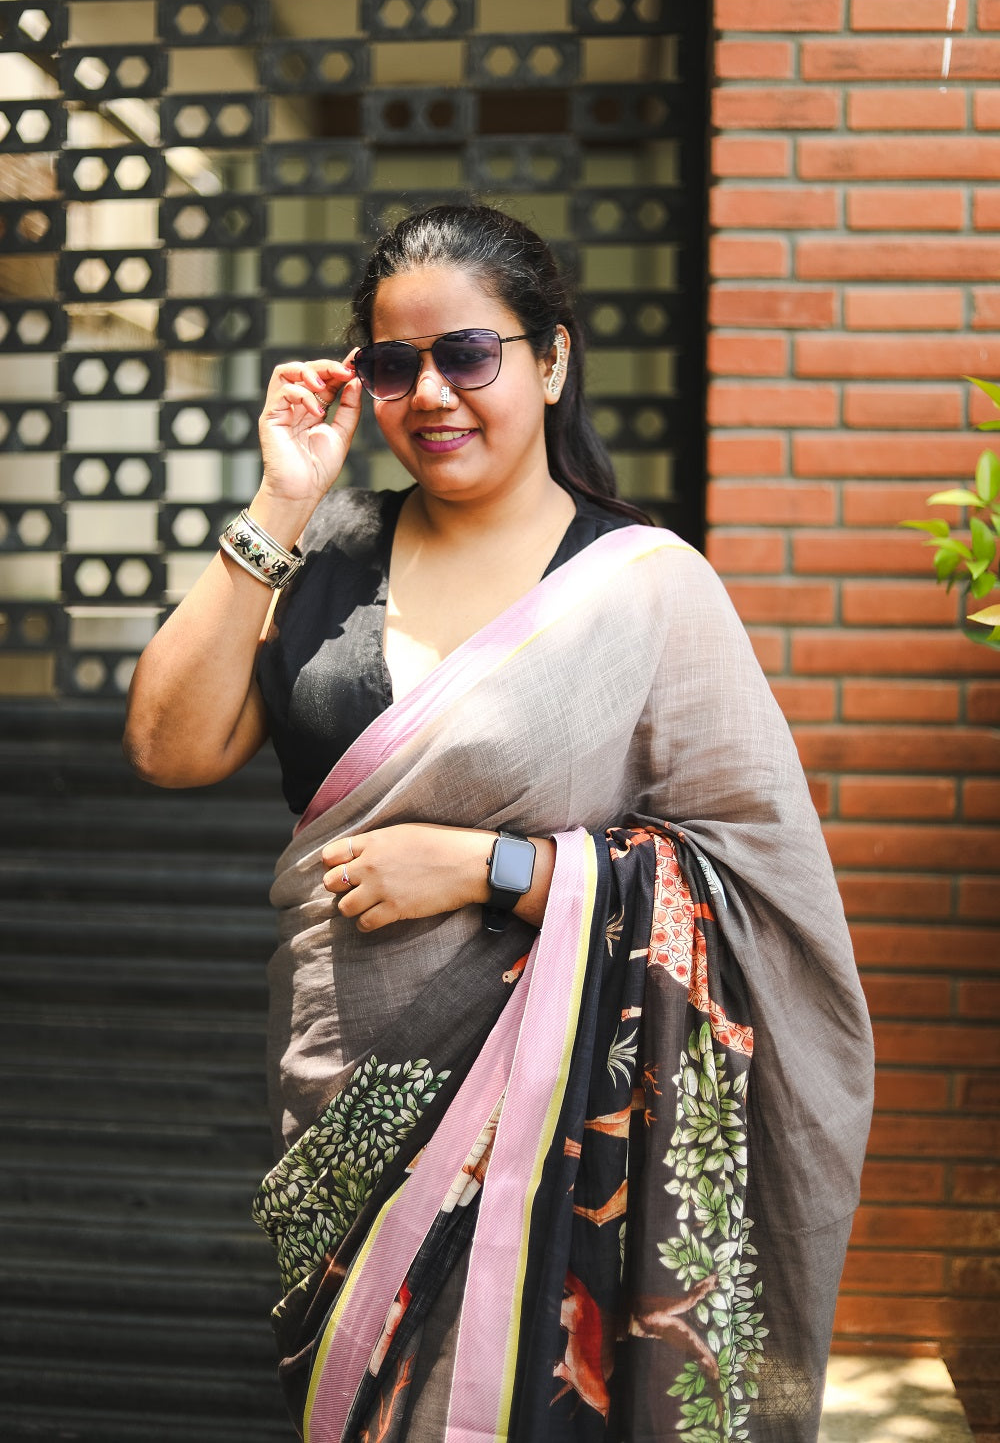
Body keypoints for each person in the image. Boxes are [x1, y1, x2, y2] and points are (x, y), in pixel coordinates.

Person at [124, 203, 874, 1443]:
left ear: (550, 359)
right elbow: (168, 747)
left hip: (558, 1121)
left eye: (467, 353)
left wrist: (491, 866)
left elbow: (758, 889)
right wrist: (281, 503)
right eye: (391, 364)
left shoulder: (643, 588)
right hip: (344, 1091)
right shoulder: (329, 553)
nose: (432, 393)